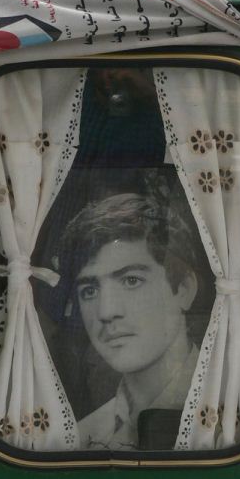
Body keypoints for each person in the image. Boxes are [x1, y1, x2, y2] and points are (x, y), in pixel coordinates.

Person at [57, 193, 202, 451]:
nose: (106, 311)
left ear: (184, 289)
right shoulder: (81, 439)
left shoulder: (232, 416)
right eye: (89, 290)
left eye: (131, 280)